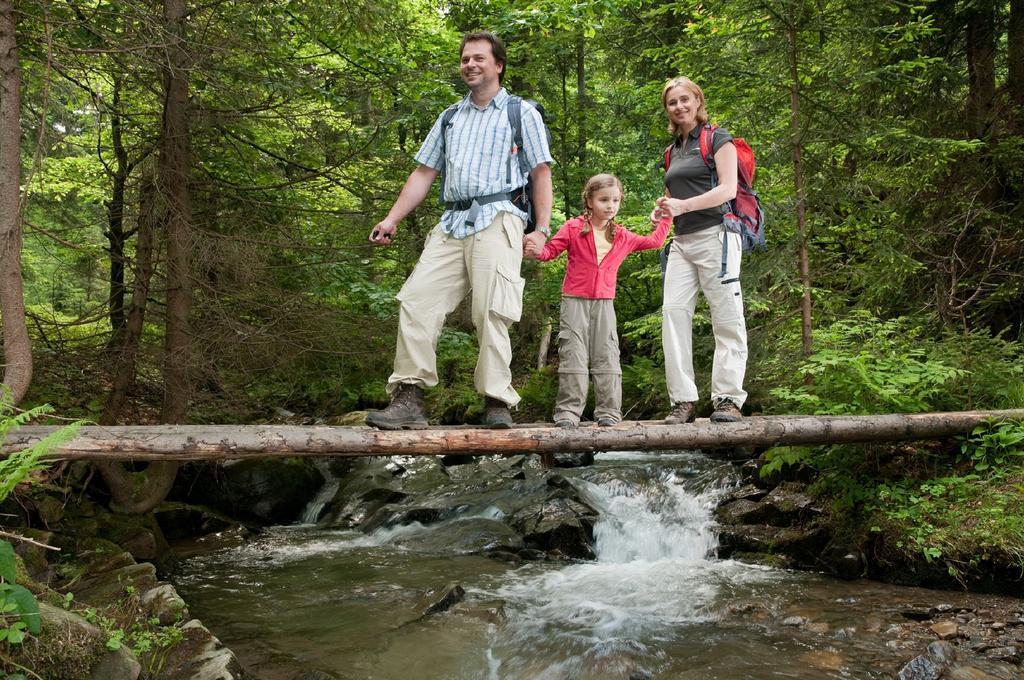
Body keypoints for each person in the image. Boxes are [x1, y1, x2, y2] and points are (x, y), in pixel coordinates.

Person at [366, 31, 553, 430]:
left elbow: (540, 172)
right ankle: (409, 399)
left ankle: (496, 401)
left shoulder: (521, 113)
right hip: (452, 221)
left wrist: (541, 229)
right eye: (465, 58)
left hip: (500, 215)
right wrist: (392, 218)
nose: (470, 64)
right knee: (417, 300)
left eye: (479, 58)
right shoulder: (450, 117)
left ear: (498, 65)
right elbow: (424, 172)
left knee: (491, 309)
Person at [526, 174, 671, 428]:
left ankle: (609, 412)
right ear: (590, 201)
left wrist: (667, 216)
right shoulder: (573, 227)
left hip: (605, 302)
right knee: (573, 353)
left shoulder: (622, 236)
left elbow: (655, 241)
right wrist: (536, 250)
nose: (610, 205)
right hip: (574, 300)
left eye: (615, 200)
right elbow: (550, 252)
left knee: (606, 353)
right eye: (604, 199)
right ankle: (568, 413)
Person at [656, 76, 747, 424]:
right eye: (672, 102)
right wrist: (665, 208)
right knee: (673, 314)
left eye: (684, 100)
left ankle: (727, 399)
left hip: (718, 237)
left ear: (697, 100)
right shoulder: (672, 151)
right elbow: (679, 198)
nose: (679, 107)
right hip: (682, 242)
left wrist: (684, 205)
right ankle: (683, 400)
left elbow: (727, 189)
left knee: (726, 318)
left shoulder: (718, 139)